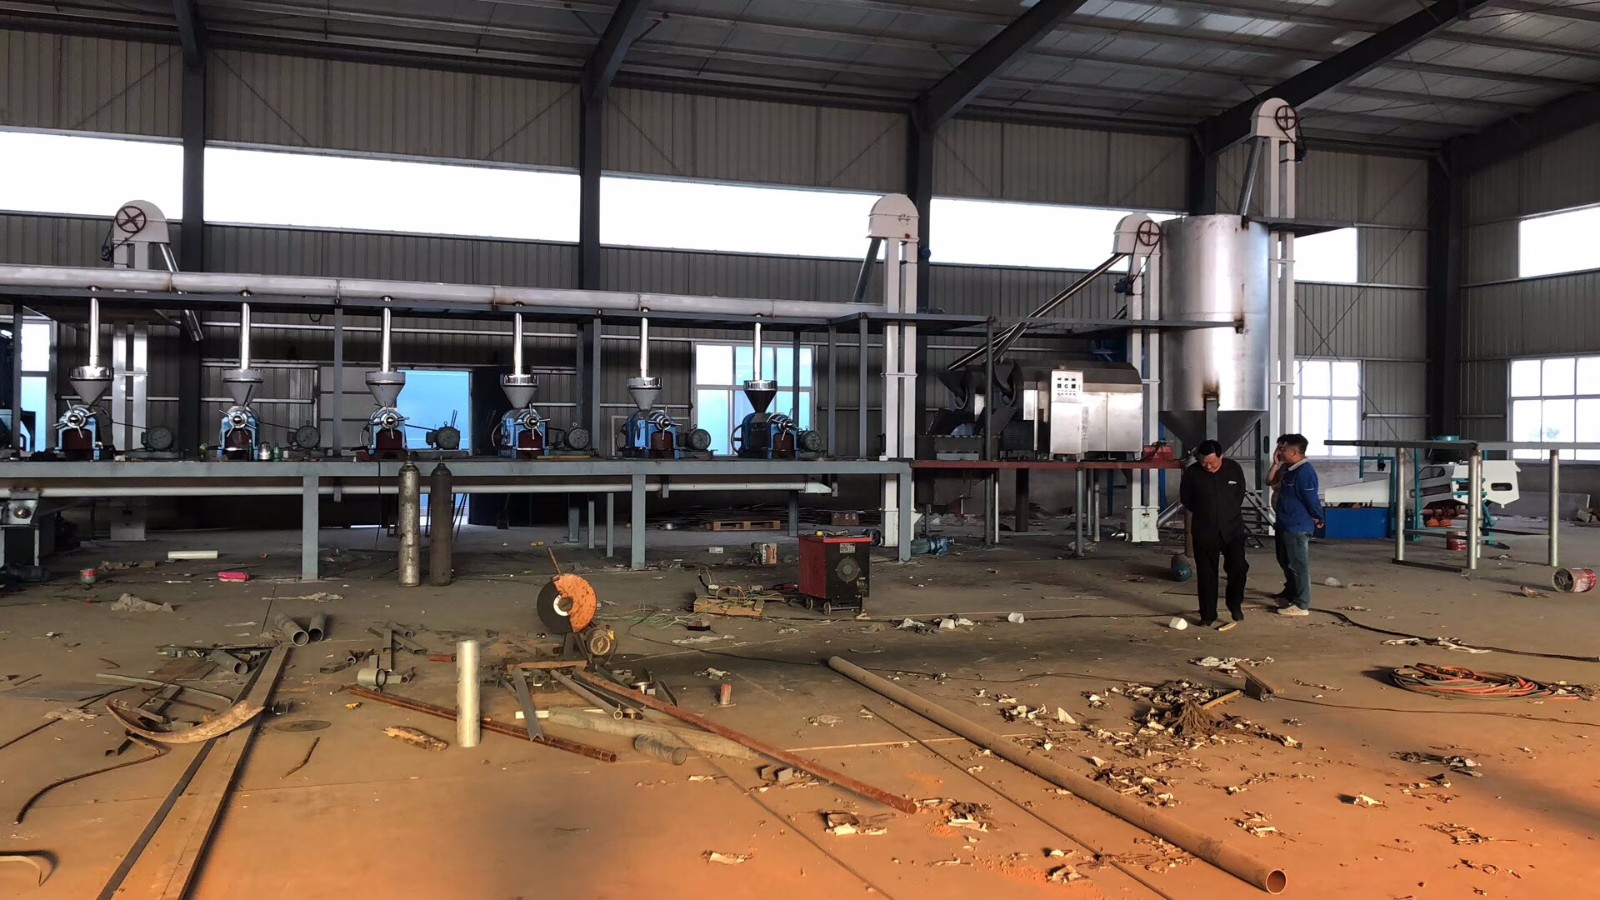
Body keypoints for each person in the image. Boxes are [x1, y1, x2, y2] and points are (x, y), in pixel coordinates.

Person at [1179, 439, 1249, 628]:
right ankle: (1208, 614)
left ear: (1221, 456)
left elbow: (1240, 492)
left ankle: (1235, 604)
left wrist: (1227, 511)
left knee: (1238, 568)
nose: (1208, 466)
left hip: (1233, 529)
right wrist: (1206, 512)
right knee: (1206, 574)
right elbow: (1186, 498)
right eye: (1204, 463)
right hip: (1204, 530)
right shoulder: (1192, 473)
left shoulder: (1233, 468)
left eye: (1212, 462)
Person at [1270, 434, 1324, 617]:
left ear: (1293, 452)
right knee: (1285, 561)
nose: (1280, 451)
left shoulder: (1304, 472)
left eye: (1283, 449)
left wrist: (1318, 516)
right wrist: (1276, 464)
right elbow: (1269, 481)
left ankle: (1301, 604)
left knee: (1298, 565)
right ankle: (1290, 594)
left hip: (1297, 526)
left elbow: (1311, 498)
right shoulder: (1290, 470)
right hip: (1285, 523)